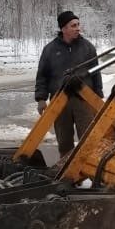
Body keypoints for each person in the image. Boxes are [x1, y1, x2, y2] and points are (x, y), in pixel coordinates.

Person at [34, 10, 104, 157]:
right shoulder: (50, 50)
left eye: (78, 24)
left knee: (89, 141)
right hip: (60, 102)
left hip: (84, 101)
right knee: (64, 143)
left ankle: (91, 175)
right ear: (63, 28)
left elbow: (96, 74)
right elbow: (42, 76)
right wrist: (41, 99)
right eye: (73, 25)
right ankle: (67, 176)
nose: (78, 28)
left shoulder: (88, 48)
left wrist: (98, 98)